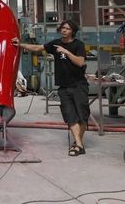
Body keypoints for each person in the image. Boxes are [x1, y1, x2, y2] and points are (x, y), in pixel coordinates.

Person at [12, 20, 89, 156]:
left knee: (82, 117)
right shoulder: (55, 43)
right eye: (63, 28)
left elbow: (80, 62)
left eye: (67, 29)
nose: (64, 30)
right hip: (63, 87)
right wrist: (20, 45)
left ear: (73, 31)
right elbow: (38, 48)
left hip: (78, 86)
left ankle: (78, 143)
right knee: (70, 117)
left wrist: (66, 52)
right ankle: (79, 145)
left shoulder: (78, 45)